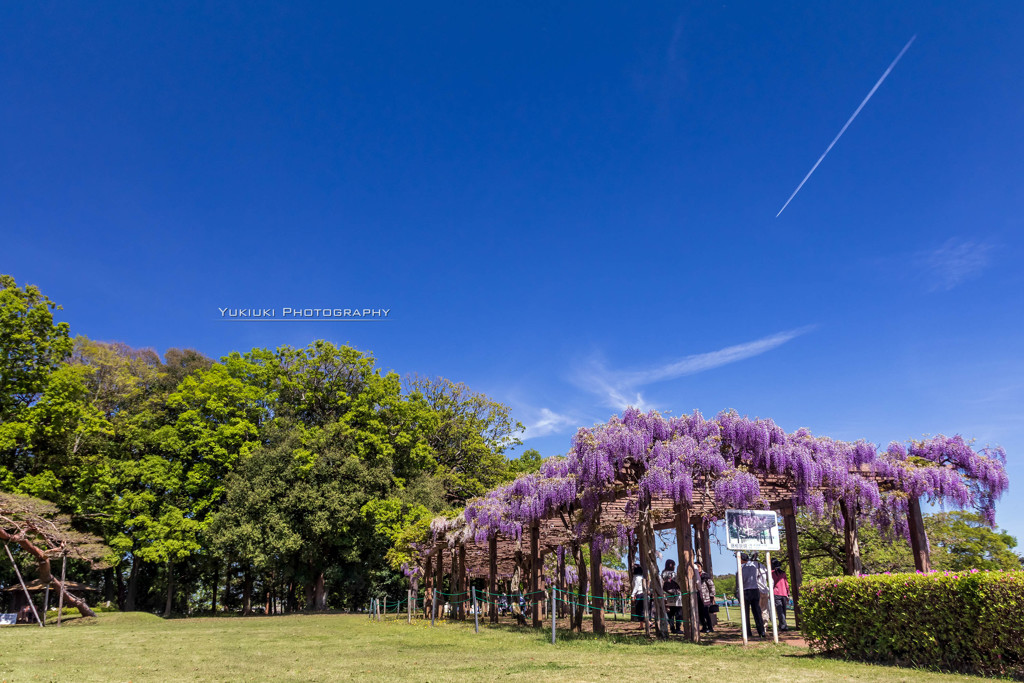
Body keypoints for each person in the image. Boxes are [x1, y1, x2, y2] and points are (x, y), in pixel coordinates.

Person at [739, 553, 766, 638]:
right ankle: (761, 631)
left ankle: (747, 632)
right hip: (755, 590)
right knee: (757, 612)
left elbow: (740, 581)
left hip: (745, 591)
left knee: (745, 612)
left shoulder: (741, 568)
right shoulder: (755, 566)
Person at [661, 559, 683, 634]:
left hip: (668, 595)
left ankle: (672, 628)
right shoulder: (674, 574)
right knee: (679, 613)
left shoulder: (663, 574)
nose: (674, 567)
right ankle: (678, 628)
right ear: (671, 565)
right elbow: (679, 582)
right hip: (676, 595)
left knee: (670, 613)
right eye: (674, 565)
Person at [695, 561, 716, 633]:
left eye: (698, 567)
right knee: (700, 613)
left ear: (701, 567)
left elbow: (711, 585)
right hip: (697, 597)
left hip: (705, 597)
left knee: (706, 613)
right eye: (696, 567)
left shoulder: (705, 576)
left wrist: (712, 595)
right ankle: (704, 626)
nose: (697, 568)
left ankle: (710, 627)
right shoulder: (694, 576)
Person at [772, 560, 790, 631]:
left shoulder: (772, 573)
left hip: (776, 593)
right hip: (784, 593)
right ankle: (782, 624)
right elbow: (786, 584)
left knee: (779, 610)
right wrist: (788, 593)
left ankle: (783, 625)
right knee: (783, 610)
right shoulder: (783, 573)